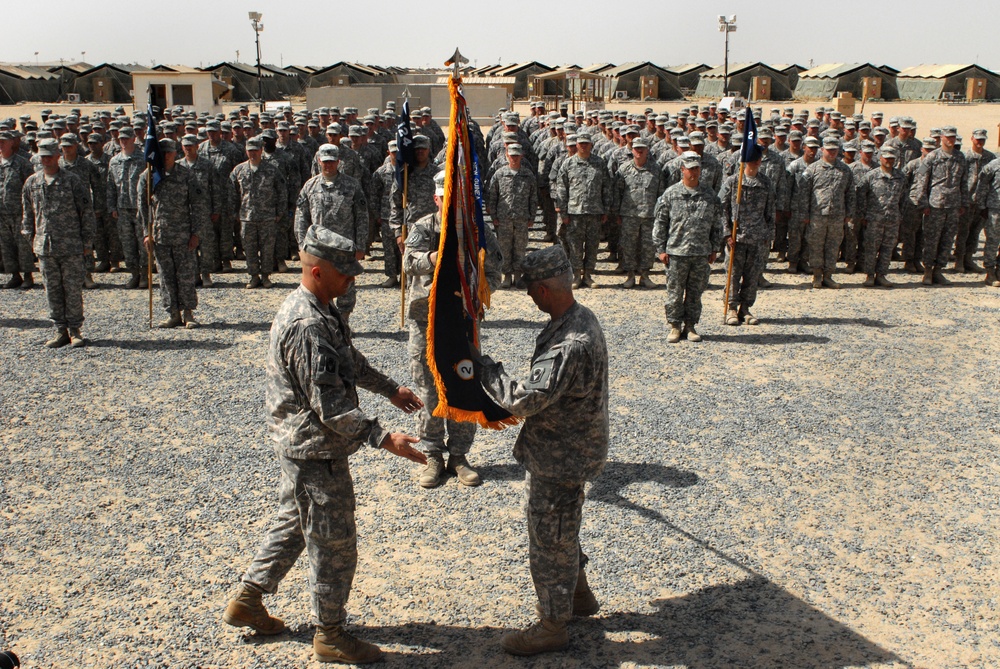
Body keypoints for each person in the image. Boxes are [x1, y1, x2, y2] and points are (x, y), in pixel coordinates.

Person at [223, 226, 426, 665]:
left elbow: (346, 360)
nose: (352, 278)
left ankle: (249, 598)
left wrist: (389, 389)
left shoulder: (320, 307)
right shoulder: (307, 324)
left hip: (302, 446)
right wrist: (382, 436)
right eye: (345, 272)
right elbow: (331, 408)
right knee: (334, 543)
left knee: (295, 523)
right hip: (315, 450)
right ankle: (330, 634)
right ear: (317, 271)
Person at [475, 244, 608, 657]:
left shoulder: (571, 342)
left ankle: (553, 624)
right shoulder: (578, 317)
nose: (529, 296)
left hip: (561, 456)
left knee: (549, 539)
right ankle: (579, 595)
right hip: (571, 446)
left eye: (532, 289)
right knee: (564, 526)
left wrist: (483, 368)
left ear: (546, 289)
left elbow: (523, 400)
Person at [402, 171, 501, 488]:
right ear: (436, 199)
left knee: (463, 383)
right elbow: (409, 261)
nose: (452, 204)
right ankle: (433, 455)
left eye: (458, 199)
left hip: (462, 321)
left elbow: (495, 267)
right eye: (446, 199)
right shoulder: (424, 226)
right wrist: (436, 257)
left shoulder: (477, 231)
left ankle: (459, 456)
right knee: (430, 390)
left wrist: (478, 293)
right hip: (427, 322)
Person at [21, 138, 95, 348]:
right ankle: (60, 330)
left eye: (49, 156)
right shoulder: (32, 183)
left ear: (57, 156)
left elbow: (86, 213)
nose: (46, 160)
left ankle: (75, 330)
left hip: (71, 246)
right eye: (42, 156)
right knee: (52, 290)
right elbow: (27, 215)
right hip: (45, 247)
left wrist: (87, 241)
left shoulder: (72, 181)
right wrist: (31, 239)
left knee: (71, 290)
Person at [653, 151, 723, 343]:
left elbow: (717, 224)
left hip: (701, 252)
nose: (693, 172)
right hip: (676, 252)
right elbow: (660, 223)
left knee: (695, 292)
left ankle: (690, 326)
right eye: (690, 169)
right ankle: (675, 326)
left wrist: (715, 248)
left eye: (697, 168)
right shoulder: (671, 194)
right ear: (682, 170)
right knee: (674, 293)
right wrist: (660, 249)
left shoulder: (710, 195)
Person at [138, 138, 207, 329]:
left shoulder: (186, 175)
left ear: (175, 153)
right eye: (163, 153)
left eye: (169, 152)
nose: (166, 156)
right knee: (165, 276)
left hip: (183, 235)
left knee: (185, 275)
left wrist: (196, 233)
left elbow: (198, 205)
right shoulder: (149, 177)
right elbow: (143, 207)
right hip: (160, 236)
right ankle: (173, 313)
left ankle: (188, 313)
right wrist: (146, 233)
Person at [294, 143, 368, 322]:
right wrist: (302, 244)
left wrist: (360, 246)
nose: (328, 165)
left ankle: (343, 322)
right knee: (319, 286)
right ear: (319, 161)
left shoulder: (352, 185)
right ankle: (323, 322)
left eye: (332, 161)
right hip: (319, 250)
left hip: (344, 248)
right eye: (325, 161)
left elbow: (362, 217)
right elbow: (301, 217)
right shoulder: (309, 186)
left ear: (338, 162)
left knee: (346, 287)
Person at [720, 152, 775, 325]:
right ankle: (731, 309)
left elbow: (770, 211)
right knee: (733, 274)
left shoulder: (765, 183)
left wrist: (769, 235)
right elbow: (722, 209)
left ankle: (745, 308)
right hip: (737, 238)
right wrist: (727, 233)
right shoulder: (732, 182)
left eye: (756, 159)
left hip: (757, 237)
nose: (754, 162)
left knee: (752, 276)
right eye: (750, 160)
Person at [910, 126, 968, 286]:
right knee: (931, 240)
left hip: (953, 205)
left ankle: (938, 270)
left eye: (953, 137)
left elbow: (964, 182)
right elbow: (921, 179)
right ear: (941, 137)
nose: (950, 140)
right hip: (934, 205)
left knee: (947, 240)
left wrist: (964, 203)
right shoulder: (932, 157)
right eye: (947, 137)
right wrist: (922, 203)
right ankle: (928, 271)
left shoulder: (960, 157)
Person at [553, 134, 611, 288]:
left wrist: (606, 210)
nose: (583, 146)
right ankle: (576, 275)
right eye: (581, 144)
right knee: (575, 246)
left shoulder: (599, 163)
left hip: (594, 211)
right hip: (575, 213)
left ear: (591, 145)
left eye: (586, 143)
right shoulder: (568, 164)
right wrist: (563, 213)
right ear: (576, 145)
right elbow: (561, 189)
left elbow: (606, 187)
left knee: (592, 245)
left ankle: (588, 276)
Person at [230, 136, 286, 289]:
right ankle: (254, 276)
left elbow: (282, 191)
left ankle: (266, 276)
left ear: (261, 151)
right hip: (247, 217)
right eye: (250, 151)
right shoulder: (239, 170)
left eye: (255, 150)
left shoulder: (271, 169)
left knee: (267, 248)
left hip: (267, 217)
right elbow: (232, 193)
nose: (253, 154)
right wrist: (235, 213)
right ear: (246, 151)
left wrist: (279, 212)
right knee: (250, 248)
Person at [799, 137, 855, 289]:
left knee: (833, 246)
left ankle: (828, 276)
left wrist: (849, 212)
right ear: (822, 150)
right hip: (817, 216)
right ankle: (817, 275)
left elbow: (850, 193)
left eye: (834, 150)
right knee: (816, 245)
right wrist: (804, 214)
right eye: (829, 150)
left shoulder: (845, 170)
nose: (831, 153)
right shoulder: (812, 169)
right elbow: (804, 193)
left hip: (837, 216)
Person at [610, 138, 665, 288]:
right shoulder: (624, 169)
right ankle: (630, 276)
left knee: (648, 247)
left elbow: (661, 195)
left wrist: (661, 215)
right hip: (629, 215)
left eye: (642, 148)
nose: (639, 151)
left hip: (650, 215)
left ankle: (645, 276)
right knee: (628, 246)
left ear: (647, 150)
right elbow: (617, 192)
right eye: (636, 149)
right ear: (632, 150)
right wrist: (617, 214)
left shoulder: (656, 170)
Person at [486, 142, 538, 288]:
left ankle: (518, 276)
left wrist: (532, 217)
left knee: (520, 248)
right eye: (512, 155)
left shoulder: (528, 175)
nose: (514, 158)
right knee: (504, 248)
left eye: (517, 155)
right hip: (504, 219)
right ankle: (507, 276)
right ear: (507, 155)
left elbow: (533, 198)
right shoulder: (500, 174)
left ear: (521, 155)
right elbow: (493, 196)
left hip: (522, 218)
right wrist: (494, 216)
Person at [856, 145, 907, 288]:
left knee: (887, 248)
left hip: (892, 219)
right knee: (871, 248)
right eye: (886, 158)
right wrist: (863, 214)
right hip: (874, 219)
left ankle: (882, 275)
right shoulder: (871, 176)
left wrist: (899, 214)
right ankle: (870, 275)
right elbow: (861, 195)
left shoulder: (900, 176)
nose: (889, 161)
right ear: (880, 158)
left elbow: (904, 198)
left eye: (892, 158)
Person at [106, 126, 147, 289]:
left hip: (139, 208)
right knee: (127, 244)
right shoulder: (114, 161)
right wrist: (112, 206)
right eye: (120, 139)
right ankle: (134, 274)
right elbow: (110, 186)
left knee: (142, 243)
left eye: (126, 138)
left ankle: (145, 275)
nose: (122, 141)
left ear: (133, 139)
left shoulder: (143, 158)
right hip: (122, 209)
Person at [0, 129, 36, 289]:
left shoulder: (22, 164)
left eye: (3, 142)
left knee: (22, 245)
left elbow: (30, 188)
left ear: (11, 143)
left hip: (19, 212)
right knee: (6, 245)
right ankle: (14, 275)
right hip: (2, 214)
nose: (0, 145)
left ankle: (28, 275)